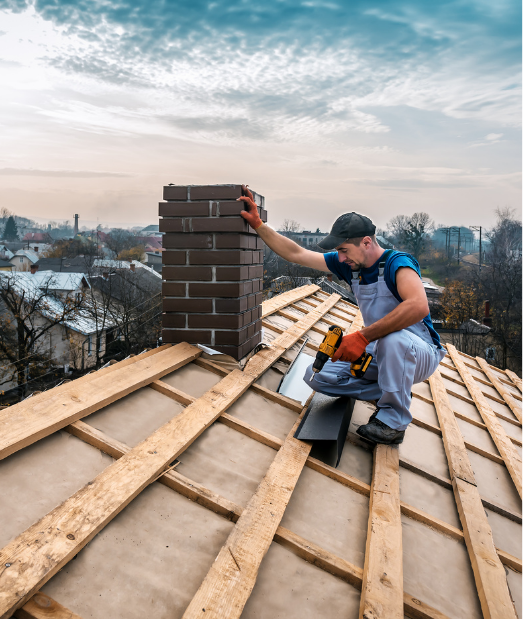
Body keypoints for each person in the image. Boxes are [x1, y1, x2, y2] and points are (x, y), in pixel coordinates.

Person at [238, 186, 445, 445]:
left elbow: (418, 306)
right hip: (381, 349)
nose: (340, 256)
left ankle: (393, 422)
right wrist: (259, 225)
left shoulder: (397, 263)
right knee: (320, 377)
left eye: (344, 249)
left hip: (418, 351)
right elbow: (296, 253)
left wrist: (362, 337)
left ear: (366, 242)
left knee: (395, 341)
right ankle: (392, 388)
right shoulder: (350, 265)